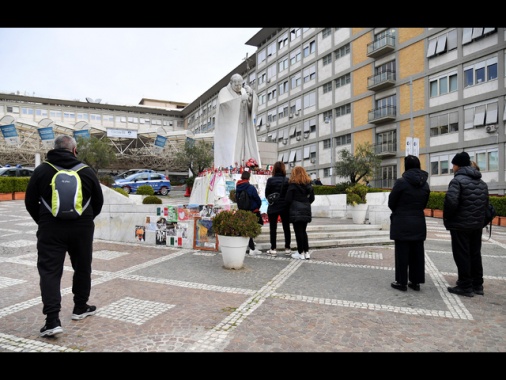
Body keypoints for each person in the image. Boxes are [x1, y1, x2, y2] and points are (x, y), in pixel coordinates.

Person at [25, 135, 104, 337]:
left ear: (54, 150)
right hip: (82, 229)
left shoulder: (42, 170)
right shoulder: (87, 171)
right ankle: (80, 308)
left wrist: (44, 220)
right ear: (74, 150)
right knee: (82, 267)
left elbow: (29, 201)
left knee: (50, 272)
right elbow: (98, 202)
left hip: (50, 229)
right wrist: (84, 219)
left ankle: (52, 321)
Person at [443, 151, 489, 297]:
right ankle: (477, 285)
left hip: (460, 225)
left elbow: (451, 202)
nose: (452, 167)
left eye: (453, 164)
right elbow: (485, 204)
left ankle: (465, 286)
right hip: (476, 225)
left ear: (457, 165)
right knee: (475, 254)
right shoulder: (482, 183)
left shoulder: (457, 181)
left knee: (462, 254)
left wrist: (448, 219)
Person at [388, 155, 430, 292]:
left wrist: (399, 211)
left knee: (402, 253)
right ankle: (415, 282)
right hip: (418, 220)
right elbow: (424, 203)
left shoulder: (401, 182)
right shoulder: (425, 184)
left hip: (402, 221)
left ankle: (401, 282)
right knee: (417, 252)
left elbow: (391, 202)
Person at [214, 73, 261, 169]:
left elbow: (252, 107)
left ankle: (244, 165)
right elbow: (224, 106)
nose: (239, 87)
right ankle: (231, 166)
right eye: (236, 85)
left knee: (244, 147)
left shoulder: (244, 91)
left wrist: (251, 94)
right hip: (231, 128)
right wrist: (240, 99)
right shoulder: (224, 92)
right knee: (233, 148)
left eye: (240, 84)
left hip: (244, 125)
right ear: (231, 83)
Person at [285, 166, 315, 260]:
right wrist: (305, 203)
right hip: (306, 209)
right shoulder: (308, 185)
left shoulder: (292, 185)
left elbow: (288, 199)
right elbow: (312, 198)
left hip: (296, 210)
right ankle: (307, 252)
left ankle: (300, 252)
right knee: (303, 231)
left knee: (298, 232)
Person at [264, 161, 291, 257]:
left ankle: (273, 248)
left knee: (273, 228)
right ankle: (287, 247)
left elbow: (266, 194)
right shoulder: (287, 180)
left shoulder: (270, 180)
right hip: (285, 206)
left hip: (273, 206)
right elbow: (289, 194)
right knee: (286, 228)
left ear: (274, 169)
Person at [235, 170, 263, 256]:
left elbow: (237, 199)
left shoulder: (238, 188)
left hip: (243, 211)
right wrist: (257, 207)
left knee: (247, 228)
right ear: (249, 178)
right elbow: (257, 199)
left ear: (241, 177)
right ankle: (252, 248)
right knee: (253, 227)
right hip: (252, 210)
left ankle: (250, 245)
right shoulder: (250, 187)